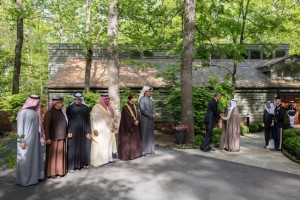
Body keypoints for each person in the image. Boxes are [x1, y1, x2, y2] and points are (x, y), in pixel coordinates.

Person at [16, 95, 45, 186]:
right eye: (36, 101)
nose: (38, 103)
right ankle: (25, 180)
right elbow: (20, 128)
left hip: (35, 141)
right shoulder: (23, 112)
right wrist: (22, 141)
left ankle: (35, 177)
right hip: (26, 140)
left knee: (35, 158)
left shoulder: (35, 112)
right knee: (26, 159)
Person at [66, 93, 91, 172]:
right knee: (72, 148)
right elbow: (67, 121)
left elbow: (88, 120)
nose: (77, 101)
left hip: (83, 131)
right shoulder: (69, 108)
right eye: (76, 99)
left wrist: (88, 131)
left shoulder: (86, 108)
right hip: (72, 130)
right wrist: (68, 131)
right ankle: (71, 166)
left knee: (84, 147)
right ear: (74, 99)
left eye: (79, 99)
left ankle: (84, 163)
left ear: (81, 99)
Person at [90, 94, 117, 167]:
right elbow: (93, 119)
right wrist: (94, 129)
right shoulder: (96, 107)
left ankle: (108, 158)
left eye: (108, 99)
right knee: (100, 144)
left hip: (108, 129)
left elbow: (112, 118)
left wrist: (114, 126)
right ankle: (100, 160)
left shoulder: (109, 107)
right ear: (102, 99)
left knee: (108, 143)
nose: (107, 100)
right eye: (105, 99)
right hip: (99, 129)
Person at [44, 98, 67, 179]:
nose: (62, 104)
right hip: (52, 138)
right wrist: (47, 138)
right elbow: (46, 127)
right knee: (52, 156)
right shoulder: (49, 113)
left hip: (62, 137)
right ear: (55, 104)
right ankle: (52, 173)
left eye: (61, 103)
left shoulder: (62, 113)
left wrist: (66, 133)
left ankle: (60, 171)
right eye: (60, 103)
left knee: (60, 156)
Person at [118, 94, 142, 161]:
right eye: (133, 98)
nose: (135, 99)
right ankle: (129, 155)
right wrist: (134, 121)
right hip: (129, 126)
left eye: (135, 98)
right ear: (130, 99)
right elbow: (126, 117)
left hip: (135, 126)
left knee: (135, 140)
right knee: (129, 140)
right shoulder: (125, 107)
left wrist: (138, 120)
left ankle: (136, 154)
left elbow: (138, 114)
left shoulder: (134, 105)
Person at [139, 86, 155, 156]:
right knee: (144, 133)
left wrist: (153, 114)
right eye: (149, 91)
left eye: (150, 91)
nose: (150, 93)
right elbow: (142, 110)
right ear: (145, 92)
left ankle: (150, 149)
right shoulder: (142, 100)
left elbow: (153, 109)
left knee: (150, 134)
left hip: (151, 119)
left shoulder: (151, 100)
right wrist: (150, 115)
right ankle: (144, 150)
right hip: (144, 119)